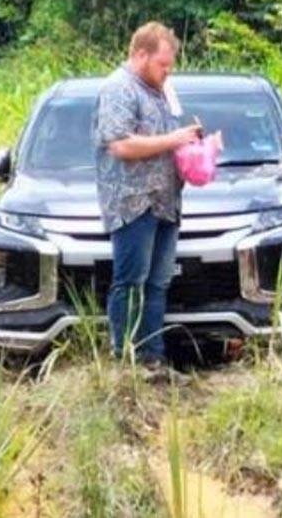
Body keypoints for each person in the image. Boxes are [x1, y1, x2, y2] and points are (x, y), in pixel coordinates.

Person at [94, 22, 201, 370]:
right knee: (131, 282)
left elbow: (171, 136)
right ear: (141, 55)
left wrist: (195, 149)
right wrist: (175, 141)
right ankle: (126, 359)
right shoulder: (118, 88)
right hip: (133, 201)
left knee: (158, 284)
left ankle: (153, 359)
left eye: (170, 65)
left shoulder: (162, 89)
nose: (168, 71)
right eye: (163, 64)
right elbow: (121, 144)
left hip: (166, 201)